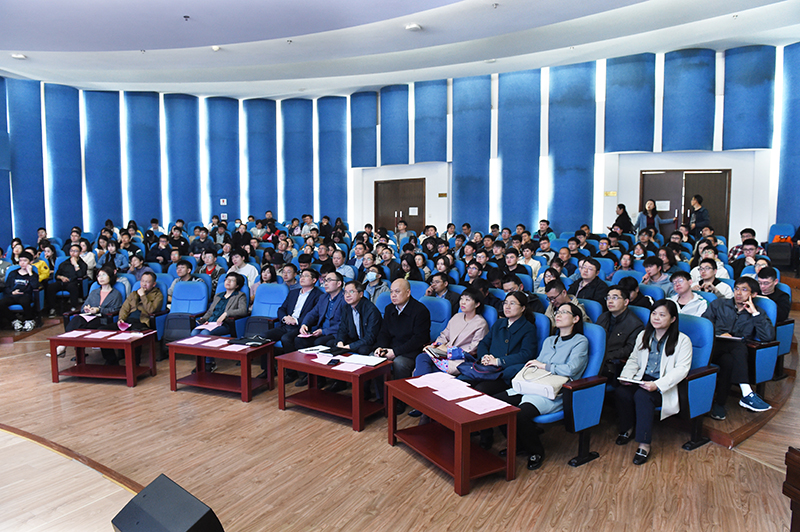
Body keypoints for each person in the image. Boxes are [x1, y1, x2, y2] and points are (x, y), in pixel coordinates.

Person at [491, 301, 589, 469]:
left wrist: (545, 366)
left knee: (521, 414)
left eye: (564, 312)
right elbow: (538, 364)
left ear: (575, 319)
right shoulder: (549, 340)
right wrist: (537, 366)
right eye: (557, 312)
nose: (558, 315)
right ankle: (518, 444)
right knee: (496, 404)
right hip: (534, 384)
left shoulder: (580, 341)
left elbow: (572, 369)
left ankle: (536, 451)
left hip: (554, 391)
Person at [615, 300, 692, 465]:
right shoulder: (643, 335)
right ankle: (627, 428)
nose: (656, 318)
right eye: (654, 314)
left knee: (643, 396)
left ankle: (644, 444)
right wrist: (626, 377)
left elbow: (682, 369)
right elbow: (634, 359)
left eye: (662, 315)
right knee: (622, 392)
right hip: (642, 379)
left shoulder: (682, 340)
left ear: (673, 319)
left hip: (664, 385)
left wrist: (657, 385)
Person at [703, 277, 774, 420]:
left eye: (744, 290)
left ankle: (719, 404)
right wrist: (720, 334)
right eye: (736, 289)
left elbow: (768, 337)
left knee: (729, 360)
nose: (739, 293)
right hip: (713, 347)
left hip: (733, 353)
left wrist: (754, 313)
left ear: (753, 294)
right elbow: (704, 326)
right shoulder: (718, 304)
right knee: (739, 345)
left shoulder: (757, 313)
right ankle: (746, 392)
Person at [461, 291, 537, 403]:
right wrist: (484, 357)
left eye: (512, 303)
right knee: (461, 382)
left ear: (522, 308)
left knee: (480, 390)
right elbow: (484, 343)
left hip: (504, 373)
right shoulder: (499, 323)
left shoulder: (528, 328)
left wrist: (498, 361)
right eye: (505, 303)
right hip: (487, 368)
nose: (507, 307)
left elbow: (526, 354)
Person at [255, 269, 323, 381]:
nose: (302, 278)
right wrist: (284, 318)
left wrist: (296, 321)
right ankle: (268, 370)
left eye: (306, 276)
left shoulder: (319, 295)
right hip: (286, 324)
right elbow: (282, 309)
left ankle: (291, 372)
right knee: (263, 336)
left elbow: (316, 316)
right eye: (301, 275)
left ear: (314, 280)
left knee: (286, 338)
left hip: (302, 327)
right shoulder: (293, 292)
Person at [53, 267, 122, 357]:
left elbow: (116, 310)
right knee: (76, 320)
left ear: (110, 276)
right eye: (99, 276)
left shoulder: (116, 294)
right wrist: (86, 308)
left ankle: (63, 346)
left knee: (79, 325)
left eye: (104, 275)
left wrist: (99, 310)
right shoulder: (94, 292)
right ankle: (65, 347)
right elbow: (83, 307)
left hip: (102, 319)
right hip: (89, 317)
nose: (101, 278)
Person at [373, 279, 432, 381]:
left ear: (408, 293)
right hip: (391, 348)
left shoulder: (420, 311)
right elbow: (384, 332)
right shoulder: (389, 309)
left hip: (411, 351)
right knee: (374, 358)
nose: (393, 295)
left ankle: (398, 391)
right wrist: (381, 348)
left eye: (397, 291)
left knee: (399, 364)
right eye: (391, 292)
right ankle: (382, 391)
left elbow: (419, 339)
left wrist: (395, 352)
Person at [190, 272, 248, 372]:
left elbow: (243, 310)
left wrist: (226, 313)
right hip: (211, 323)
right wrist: (203, 320)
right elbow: (210, 312)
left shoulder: (240, 295)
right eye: (227, 279)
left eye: (232, 280)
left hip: (225, 324)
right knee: (194, 333)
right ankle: (201, 362)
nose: (228, 282)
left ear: (237, 285)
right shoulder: (218, 296)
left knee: (205, 334)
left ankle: (209, 363)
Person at [103, 271, 162, 365]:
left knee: (134, 334)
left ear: (153, 284)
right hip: (127, 321)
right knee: (103, 330)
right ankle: (111, 360)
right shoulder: (134, 294)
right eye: (142, 281)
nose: (144, 284)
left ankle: (135, 364)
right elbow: (124, 308)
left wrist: (143, 296)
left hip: (142, 322)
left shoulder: (158, 295)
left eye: (147, 282)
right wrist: (121, 319)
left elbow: (151, 310)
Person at [596, 286, 645, 383]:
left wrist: (605, 356)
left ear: (626, 302)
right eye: (608, 297)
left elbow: (629, 349)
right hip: (597, 358)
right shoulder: (603, 317)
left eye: (615, 298)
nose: (610, 301)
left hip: (611, 364)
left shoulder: (635, 324)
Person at [0, 252, 40, 331]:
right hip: (13, 295)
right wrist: (12, 292)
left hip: (25, 295)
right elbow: (6, 286)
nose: (22, 263)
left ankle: (29, 320)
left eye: (25, 261)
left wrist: (30, 273)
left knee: (25, 301)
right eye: (20, 260)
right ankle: (14, 320)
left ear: (30, 262)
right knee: (1, 303)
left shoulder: (33, 274)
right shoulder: (13, 273)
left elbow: (35, 286)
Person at [46, 244, 87, 316]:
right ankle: (52, 308)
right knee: (51, 287)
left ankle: (73, 308)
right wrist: (61, 277)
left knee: (73, 287)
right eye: (71, 251)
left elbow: (80, 275)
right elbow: (57, 274)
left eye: (75, 251)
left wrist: (75, 264)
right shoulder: (64, 263)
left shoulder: (83, 264)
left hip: (73, 282)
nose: (73, 253)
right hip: (62, 281)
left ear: (80, 252)